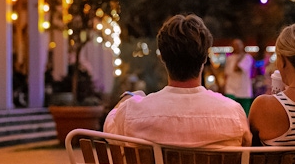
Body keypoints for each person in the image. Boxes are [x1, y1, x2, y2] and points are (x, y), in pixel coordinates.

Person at [104, 14, 252, 147]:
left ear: (162, 57)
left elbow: (109, 127)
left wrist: (129, 97)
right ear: (205, 58)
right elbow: (246, 145)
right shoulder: (233, 113)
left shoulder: (131, 113)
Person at [224, 39, 254, 115]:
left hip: (244, 91)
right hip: (231, 89)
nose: (236, 47)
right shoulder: (230, 58)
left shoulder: (247, 57)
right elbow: (227, 73)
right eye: (234, 45)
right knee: (231, 112)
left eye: (238, 45)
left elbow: (238, 69)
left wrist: (240, 57)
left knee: (244, 114)